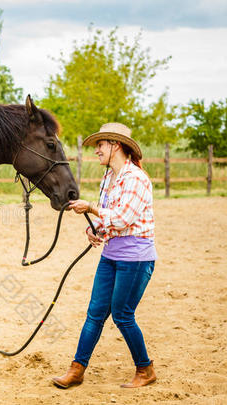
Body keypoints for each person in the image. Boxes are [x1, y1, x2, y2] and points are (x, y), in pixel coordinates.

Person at [52, 123, 157, 389]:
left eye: (101, 144)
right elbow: (110, 219)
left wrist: (91, 207)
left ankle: (145, 370)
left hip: (136, 259)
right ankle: (77, 369)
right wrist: (93, 228)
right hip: (111, 255)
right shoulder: (109, 179)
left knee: (122, 315)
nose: (97, 150)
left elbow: (122, 219)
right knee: (95, 313)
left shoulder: (135, 178)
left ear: (116, 145)